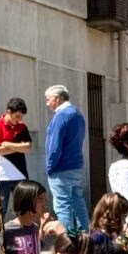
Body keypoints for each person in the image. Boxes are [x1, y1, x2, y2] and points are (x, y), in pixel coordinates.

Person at [44, 85, 87, 235]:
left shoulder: (61, 116)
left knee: (63, 205)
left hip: (61, 167)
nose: (47, 103)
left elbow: (54, 146)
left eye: (48, 99)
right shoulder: (77, 114)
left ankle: (67, 241)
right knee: (78, 203)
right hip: (76, 165)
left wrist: (50, 166)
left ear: (58, 99)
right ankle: (84, 237)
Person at [0, 97, 33, 210]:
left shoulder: (22, 128)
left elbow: (28, 148)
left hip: (20, 174)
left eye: (21, 117)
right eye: (17, 116)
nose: (19, 119)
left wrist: (7, 144)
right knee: (0, 210)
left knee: (24, 209)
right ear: (8, 112)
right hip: (1, 175)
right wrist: (18, 147)